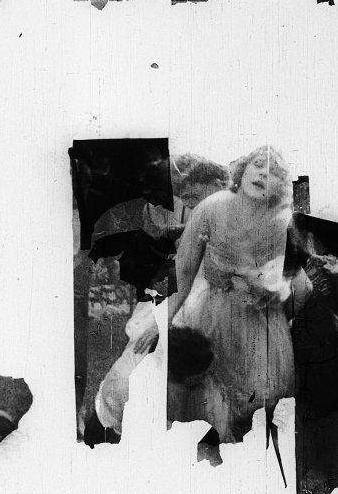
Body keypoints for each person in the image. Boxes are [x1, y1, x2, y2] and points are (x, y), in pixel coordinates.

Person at [152, 145, 304, 444]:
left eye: (274, 173)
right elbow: (183, 272)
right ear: (242, 170)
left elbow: (296, 286)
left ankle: (243, 455)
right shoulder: (212, 207)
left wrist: (274, 294)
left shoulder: (282, 223)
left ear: (282, 187)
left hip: (259, 326)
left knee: (253, 404)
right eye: (258, 164)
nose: (263, 174)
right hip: (209, 314)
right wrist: (162, 323)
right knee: (202, 395)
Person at [82, 155, 229, 445]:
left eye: (192, 196)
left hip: (207, 308)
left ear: (215, 183)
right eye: (185, 198)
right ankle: (109, 426)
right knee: (137, 364)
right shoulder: (210, 213)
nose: (191, 204)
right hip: (180, 298)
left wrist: (161, 322)